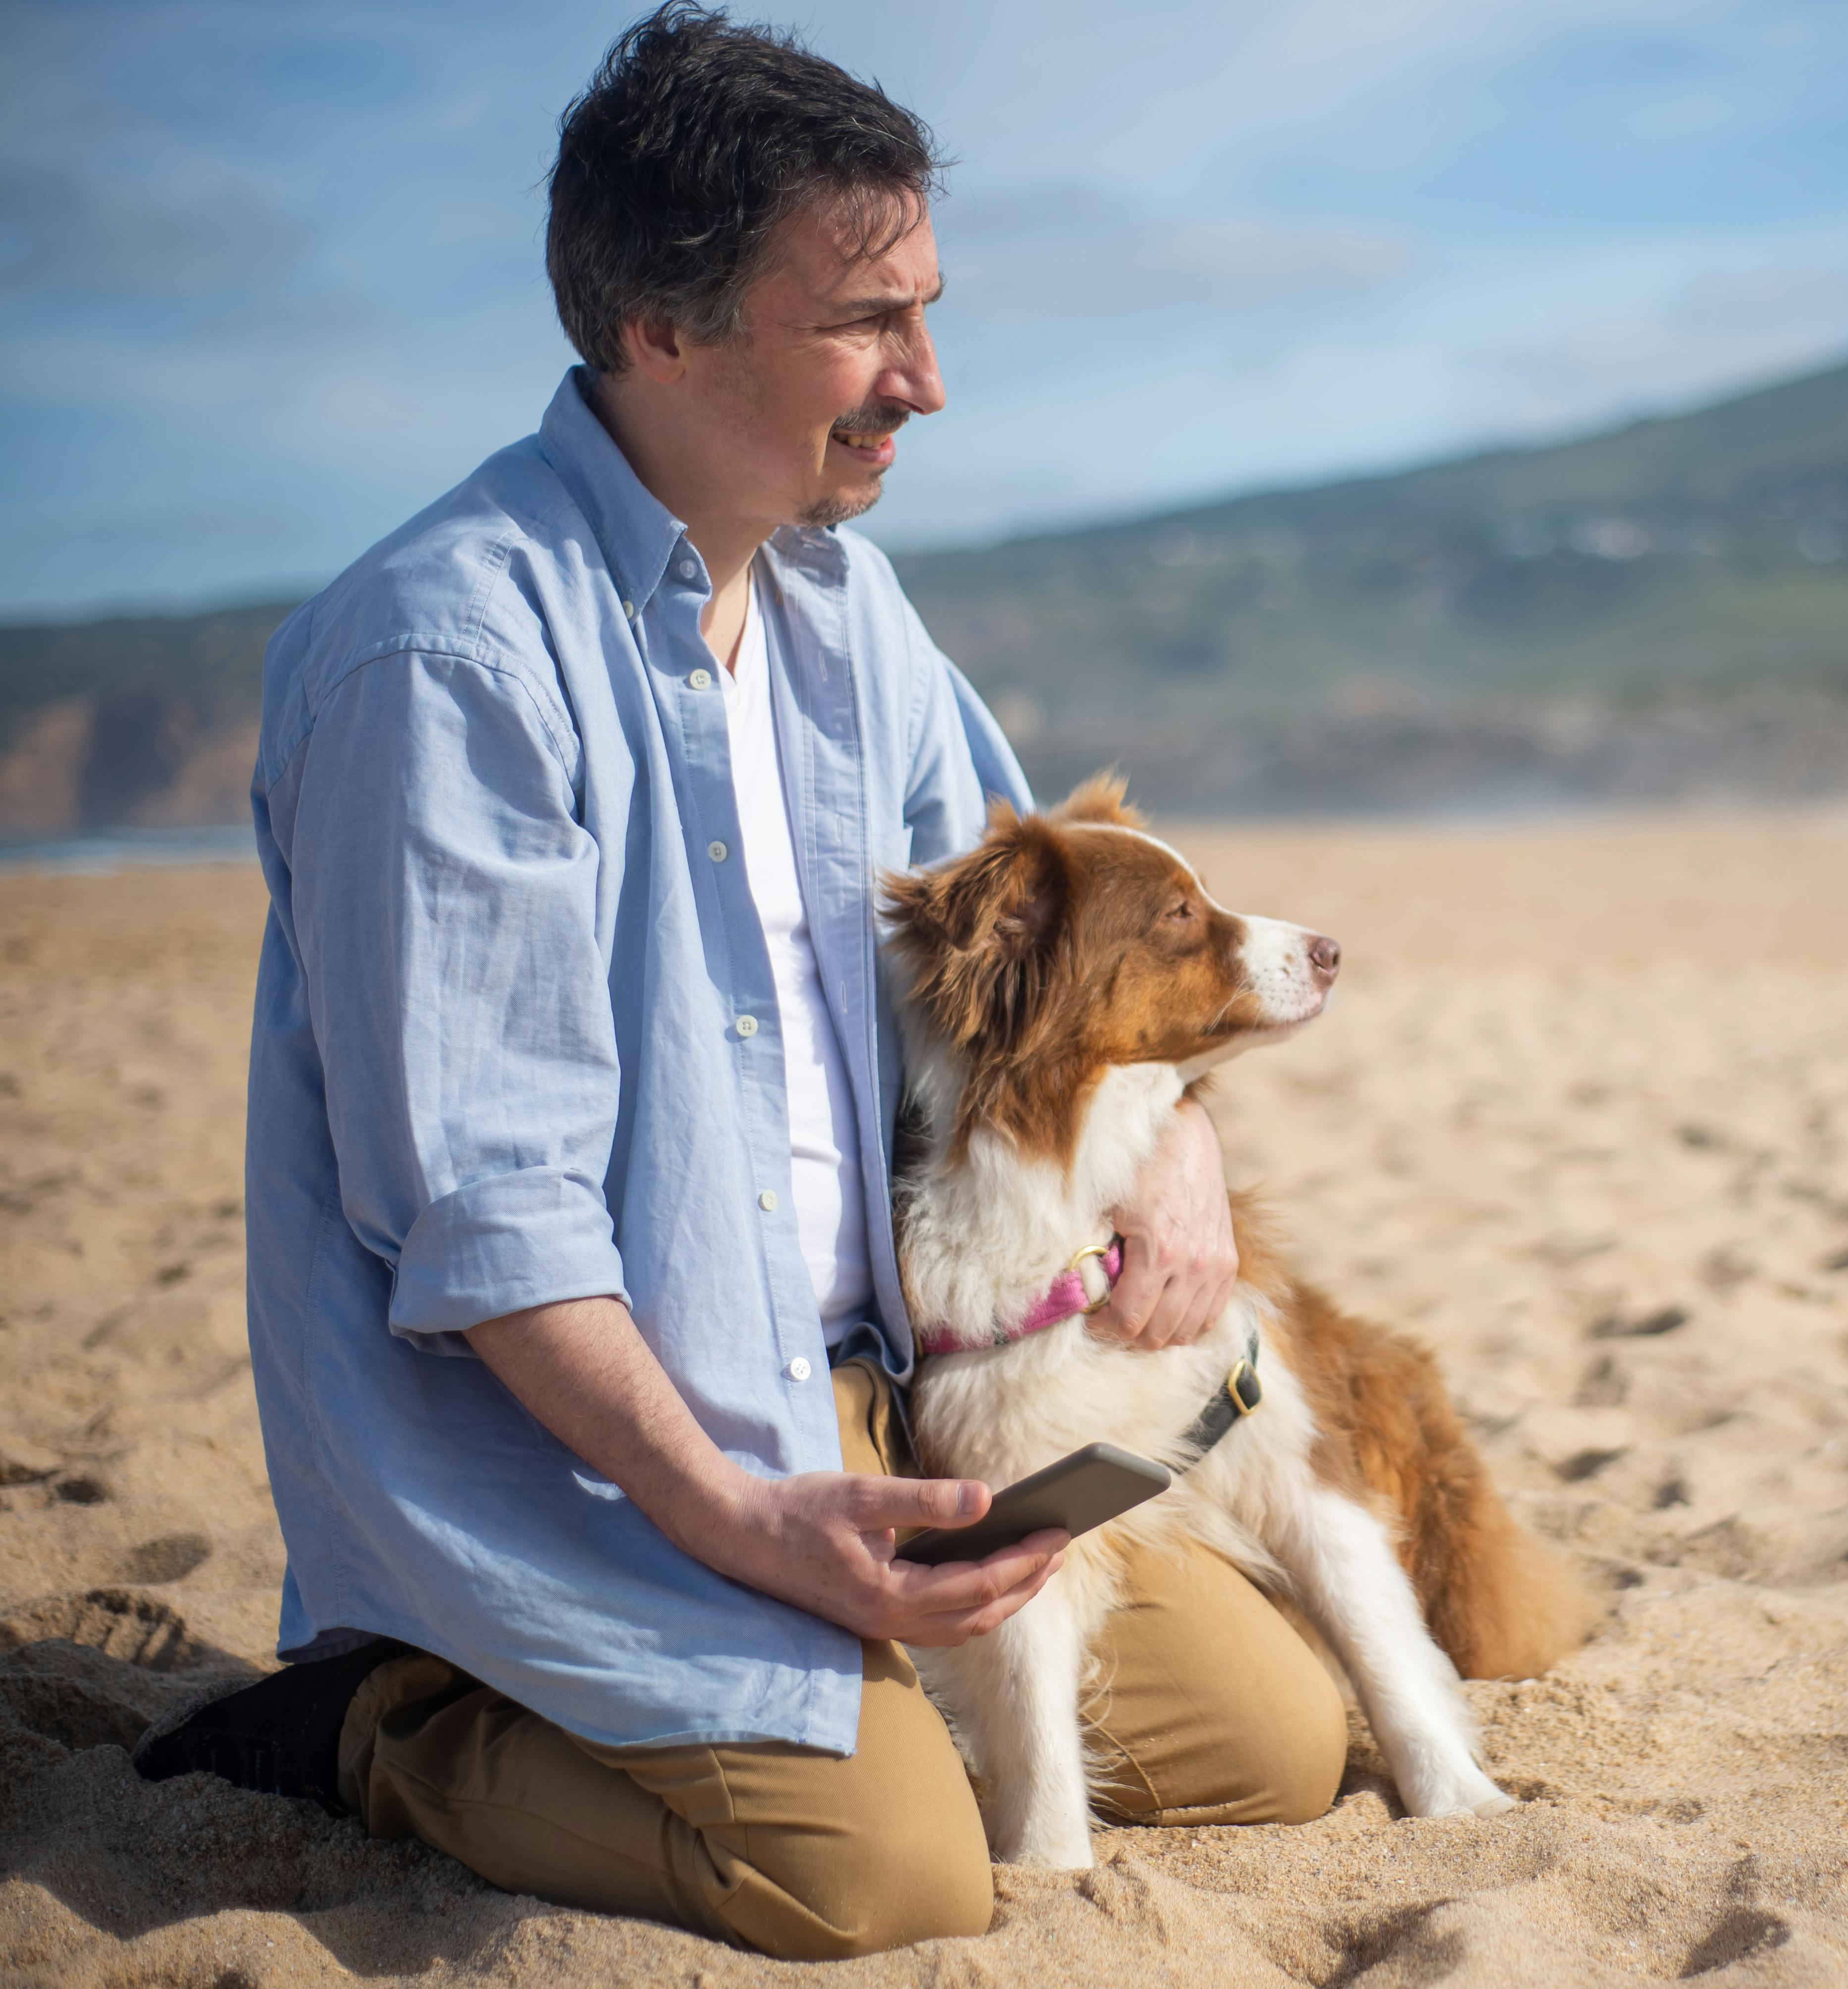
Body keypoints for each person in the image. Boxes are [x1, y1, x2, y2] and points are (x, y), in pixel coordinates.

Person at [132, 4, 1349, 1959]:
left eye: (929, 312)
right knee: (877, 1876)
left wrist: (1181, 1134)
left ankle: (813, 1697)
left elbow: (1041, 946)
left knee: (1278, 1738)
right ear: (661, 328)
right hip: (609, 1464)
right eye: (870, 321)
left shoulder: (847, 602)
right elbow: (489, 1220)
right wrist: (732, 1511)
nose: (928, 382)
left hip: (896, 1402)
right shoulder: (445, 661)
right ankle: (396, 1711)